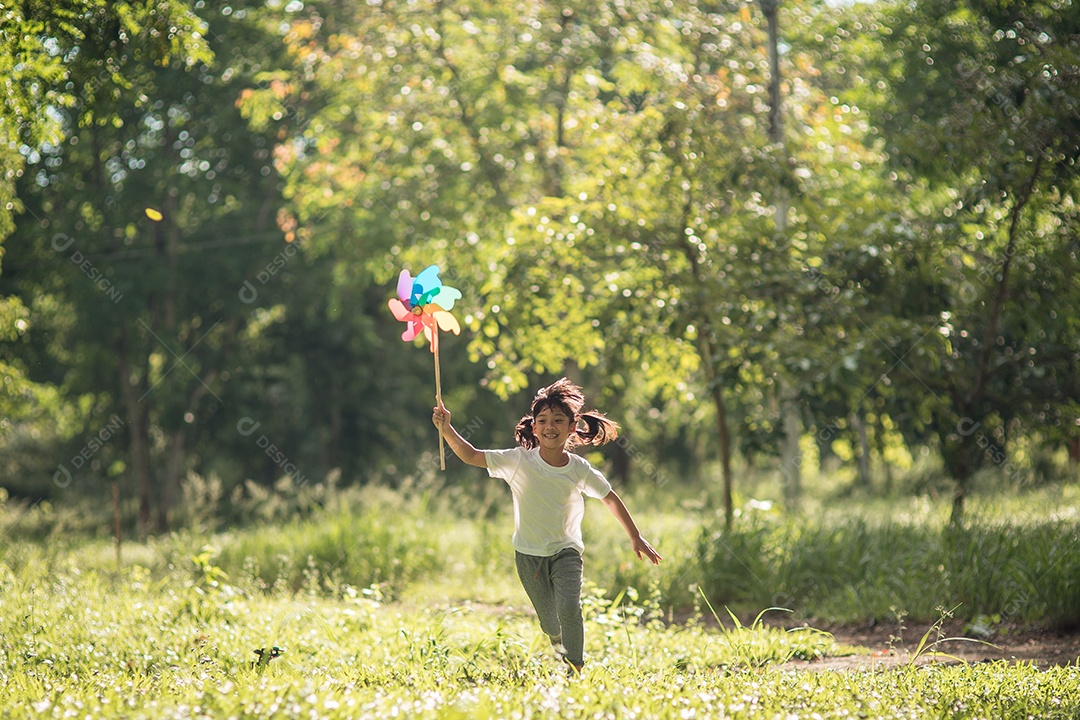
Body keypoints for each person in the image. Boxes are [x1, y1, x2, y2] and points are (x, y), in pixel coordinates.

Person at [431, 377, 662, 674]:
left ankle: (575, 669)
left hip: (566, 552)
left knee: (569, 608)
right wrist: (446, 428)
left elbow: (610, 498)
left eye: (558, 420)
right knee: (550, 623)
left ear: (571, 427)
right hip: (528, 555)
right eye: (542, 420)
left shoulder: (579, 469)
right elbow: (471, 455)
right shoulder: (518, 461)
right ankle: (558, 642)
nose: (550, 426)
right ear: (534, 427)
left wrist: (635, 536)